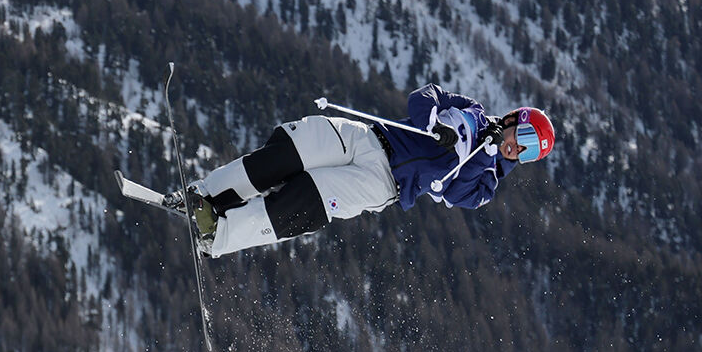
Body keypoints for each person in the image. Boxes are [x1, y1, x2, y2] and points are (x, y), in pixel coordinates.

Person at [170, 83, 555, 257]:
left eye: (528, 154)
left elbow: (456, 194)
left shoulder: (487, 180)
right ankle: (206, 195)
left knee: (306, 198)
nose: (518, 149)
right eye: (524, 136)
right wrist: (434, 122)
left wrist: (486, 154)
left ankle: (218, 235)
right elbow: (424, 95)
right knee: (292, 147)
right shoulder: (470, 110)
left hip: (382, 182)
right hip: (370, 137)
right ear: (513, 119)